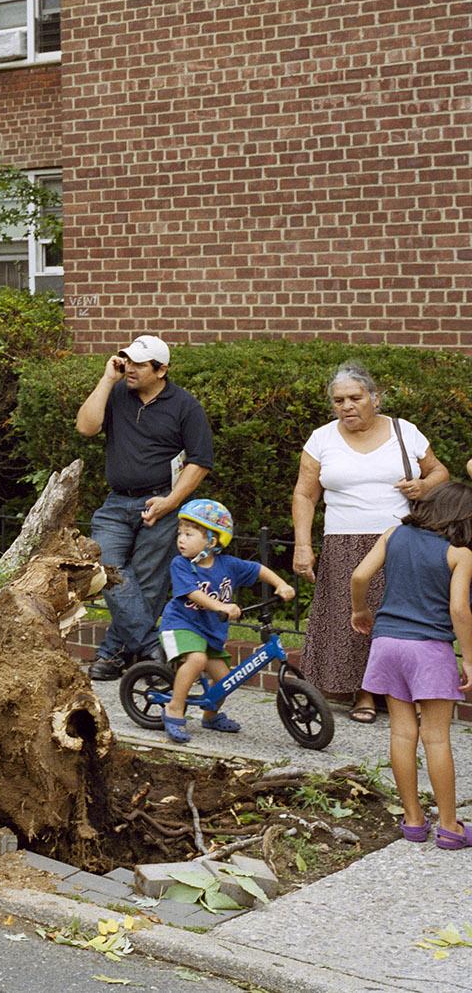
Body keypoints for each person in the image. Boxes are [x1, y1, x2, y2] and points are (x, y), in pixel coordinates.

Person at [292, 362, 449, 723]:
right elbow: (304, 494)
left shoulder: (405, 431)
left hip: (400, 540)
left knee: (401, 616)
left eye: (355, 397)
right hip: (343, 541)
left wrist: (424, 486)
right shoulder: (322, 439)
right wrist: (302, 545)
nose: (346, 406)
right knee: (352, 620)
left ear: (375, 398)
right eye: (338, 400)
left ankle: (402, 691)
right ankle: (362, 692)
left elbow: (440, 472)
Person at [75, 334, 215, 680]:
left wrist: (171, 502)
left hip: (160, 500)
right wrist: (106, 379)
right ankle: (153, 647)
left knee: (150, 582)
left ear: (161, 369)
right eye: (128, 361)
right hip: (117, 502)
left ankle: (113, 655)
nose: (130, 368)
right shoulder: (116, 394)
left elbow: (200, 462)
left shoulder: (185, 405)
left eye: (139, 364)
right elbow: (86, 427)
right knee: (107, 568)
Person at [349, 481, 472, 848]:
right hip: (429, 649)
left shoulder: (394, 535)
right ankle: (449, 827)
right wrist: (469, 657)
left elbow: (359, 576)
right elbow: (459, 609)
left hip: (386, 644)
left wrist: (359, 610)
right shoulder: (459, 553)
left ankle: (414, 821)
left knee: (402, 734)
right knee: (436, 737)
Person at [156, 499, 295, 743]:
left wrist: (281, 584)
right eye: (180, 533)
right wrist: (220, 606)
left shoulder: (228, 565)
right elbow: (193, 593)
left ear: (211, 542)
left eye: (189, 534)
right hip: (181, 625)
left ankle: (210, 716)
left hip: (209, 632)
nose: (181, 539)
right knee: (197, 659)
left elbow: (258, 569)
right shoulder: (181, 565)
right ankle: (174, 709)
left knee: (225, 680)